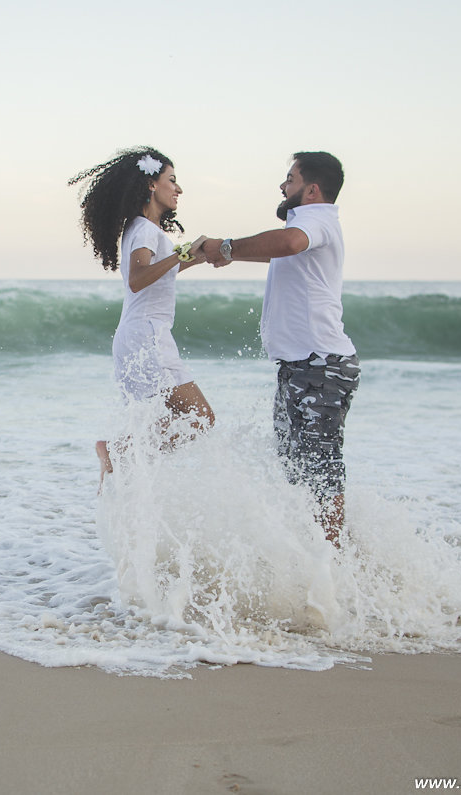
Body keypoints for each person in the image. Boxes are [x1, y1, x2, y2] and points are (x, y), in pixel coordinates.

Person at [198, 152, 358, 546]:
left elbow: (288, 242)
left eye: (290, 179)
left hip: (320, 365)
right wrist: (225, 252)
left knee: (321, 471)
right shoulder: (308, 225)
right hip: (302, 366)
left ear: (312, 189)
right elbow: (281, 246)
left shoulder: (315, 218)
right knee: (296, 468)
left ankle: (334, 565)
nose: (283, 186)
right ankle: (317, 555)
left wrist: (228, 247)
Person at [69, 147, 215, 485]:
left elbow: (161, 270)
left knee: (163, 421)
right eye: (172, 181)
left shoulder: (141, 229)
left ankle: (120, 480)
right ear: (151, 185)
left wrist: (202, 253)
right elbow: (139, 279)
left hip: (136, 337)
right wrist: (182, 253)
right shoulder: (145, 230)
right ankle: (118, 452)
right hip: (148, 337)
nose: (178, 189)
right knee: (200, 418)